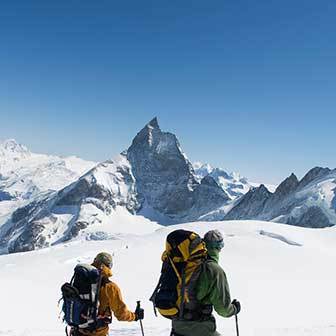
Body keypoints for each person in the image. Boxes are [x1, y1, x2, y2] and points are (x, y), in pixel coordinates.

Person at [171, 230, 240, 336]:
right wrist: (234, 309)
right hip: (201, 329)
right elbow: (223, 309)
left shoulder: (186, 264)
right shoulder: (214, 270)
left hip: (177, 327)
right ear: (219, 247)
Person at [75, 252, 144, 336]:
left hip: (78, 331)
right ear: (109, 266)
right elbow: (121, 314)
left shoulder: (80, 280)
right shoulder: (110, 287)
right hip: (98, 332)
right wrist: (135, 316)